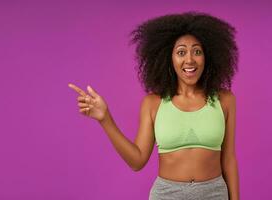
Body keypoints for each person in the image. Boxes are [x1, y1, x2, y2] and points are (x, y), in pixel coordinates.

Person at [68, 11, 240, 200]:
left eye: (197, 51)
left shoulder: (225, 100)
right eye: (181, 52)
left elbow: (228, 159)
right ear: (169, 58)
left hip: (214, 194)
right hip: (167, 194)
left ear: (208, 57)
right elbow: (137, 161)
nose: (189, 60)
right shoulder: (154, 103)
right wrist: (105, 119)